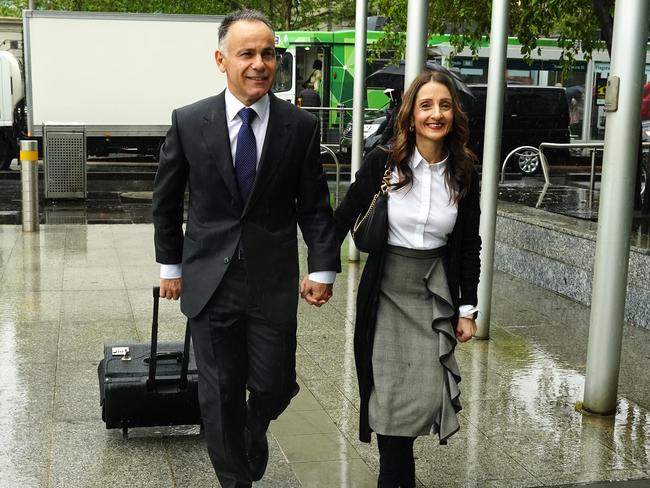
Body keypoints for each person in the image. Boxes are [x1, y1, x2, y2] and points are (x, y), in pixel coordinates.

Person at [152, 9, 340, 488]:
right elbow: (166, 200)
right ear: (222, 60)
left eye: (268, 53)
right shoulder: (190, 121)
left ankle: (256, 426)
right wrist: (170, 266)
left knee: (275, 384)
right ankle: (235, 479)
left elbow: (315, 206)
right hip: (209, 282)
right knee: (218, 393)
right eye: (247, 53)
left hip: (271, 281)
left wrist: (323, 268)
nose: (260, 63)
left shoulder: (299, 127)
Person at [332, 70, 481, 487]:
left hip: (434, 293)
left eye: (445, 105)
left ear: (455, 114)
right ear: (410, 113)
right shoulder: (384, 160)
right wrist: (322, 272)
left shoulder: (465, 170)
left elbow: (470, 245)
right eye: (426, 105)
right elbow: (343, 216)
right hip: (386, 293)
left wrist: (467, 309)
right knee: (390, 410)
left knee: (425, 398)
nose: (437, 114)